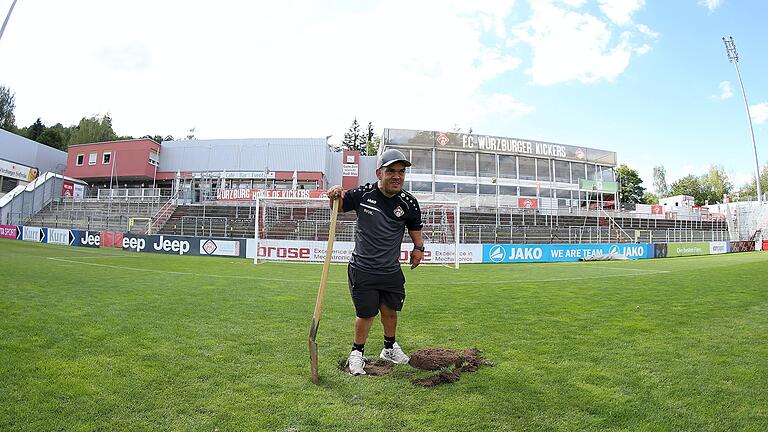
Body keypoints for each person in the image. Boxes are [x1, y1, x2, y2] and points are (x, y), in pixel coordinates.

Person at [327, 148, 424, 376]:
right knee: (366, 314)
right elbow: (339, 206)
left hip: (390, 270)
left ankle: (389, 349)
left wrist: (418, 249)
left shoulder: (409, 203)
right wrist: (335, 193)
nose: (397, 176)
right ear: (379, 172)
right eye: (391, 171)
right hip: (363, 268)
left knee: (390, 311)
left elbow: (415, 228)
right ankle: (357, 353)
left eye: (401, 172)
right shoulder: (364, 194)